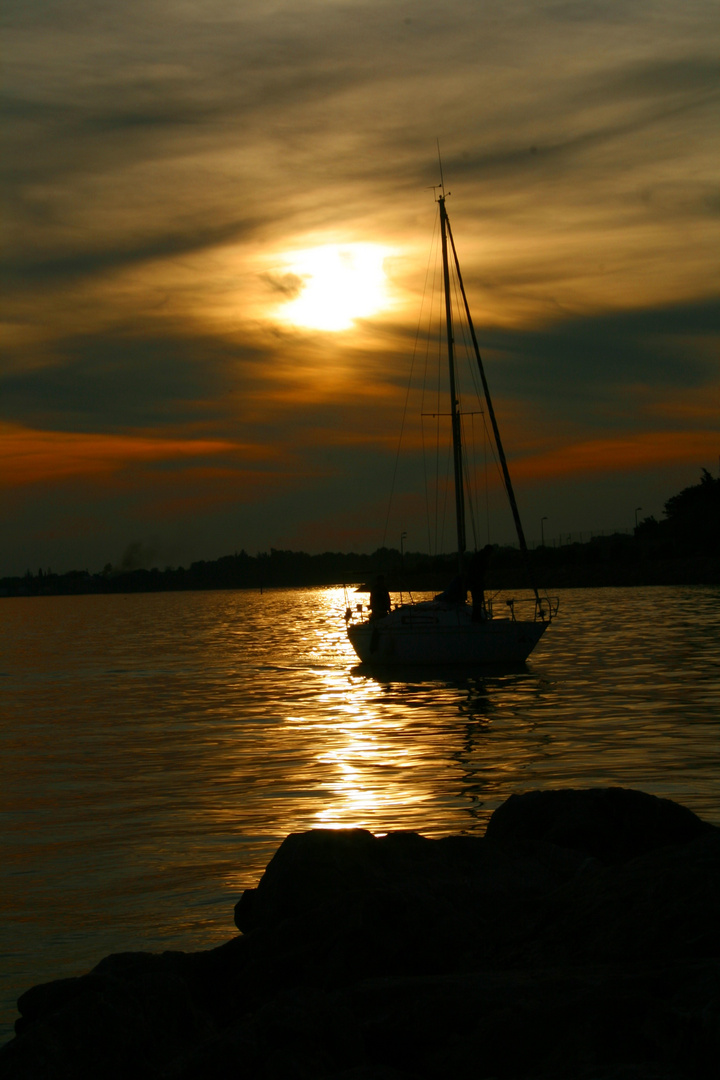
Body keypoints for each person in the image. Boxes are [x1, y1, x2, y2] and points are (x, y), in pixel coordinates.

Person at [468, 545, 493, 621]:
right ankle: (476, 617)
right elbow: (478, 572)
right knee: (477, 599)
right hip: (476, 583)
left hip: (475, 583)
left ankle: (476, 617)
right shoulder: (480, 558)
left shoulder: (479, 556)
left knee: (478, 600)